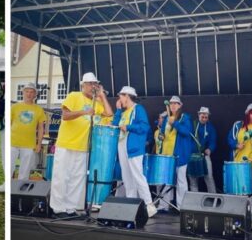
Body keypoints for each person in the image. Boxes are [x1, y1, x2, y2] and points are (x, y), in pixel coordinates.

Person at [49, 72, 112, 217]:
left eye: (95, 84)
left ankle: (71, 208)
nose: (92, 86)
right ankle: (58, 208)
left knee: (77, 178)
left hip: (83, 146)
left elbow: (109, 115)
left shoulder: (97, 102)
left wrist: (102, 96)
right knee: (61, 177)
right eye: (90, 84)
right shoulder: (74, 95)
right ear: (83, 85)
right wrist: (83, 112)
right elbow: (65, 115)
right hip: (66, 143)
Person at [113, 85, 155, 216]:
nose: (119, 98)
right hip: (122, 146)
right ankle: (132, 205)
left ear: (127, 96)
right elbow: (115, 125)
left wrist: (129, 127)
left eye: (121, 95)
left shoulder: (138, 109)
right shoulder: (123, 111)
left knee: (137, 176)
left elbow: (145, 127)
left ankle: (149, 205)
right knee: (127, 177)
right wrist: (118, 111)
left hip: (134, 147)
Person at [228, 104, 252, 216]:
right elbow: (229, 139)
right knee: (240, 187)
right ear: (248, 113)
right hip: (239, 162)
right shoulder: (238, 125)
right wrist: (236, 145)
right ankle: (240, 211)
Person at [160, 95, 195, 207]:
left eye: (176, 103)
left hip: (181, 154)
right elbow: (162, 133)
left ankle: (181, 206)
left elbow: (186, 132)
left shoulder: (185, 117)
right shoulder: (166, 118)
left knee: (181, 180)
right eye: (171, 103)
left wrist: (174, 123)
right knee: (166, 180)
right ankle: (164, 205)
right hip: (167, 154)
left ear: (180, 105)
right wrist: (161, 136)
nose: (173, 105)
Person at [11, 82, 47, 182]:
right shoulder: (15, 107)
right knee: (9, 166)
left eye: (32, 92)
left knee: (25, 171)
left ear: (35, 95)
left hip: (28, 144)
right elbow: (8, 123)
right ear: (23, 93)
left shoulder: (39, 109)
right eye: (27, 91)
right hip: (12, 142)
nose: (29, 94)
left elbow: (41, 128)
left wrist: (39, 144)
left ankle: (20, 191)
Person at [187, 105, 217, 192]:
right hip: (192, 156)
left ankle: (213, 198)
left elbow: (213, 141)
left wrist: (210, 149)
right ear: (199, 115)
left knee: (209, 177)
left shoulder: (210, 127)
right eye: (202, 116)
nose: (204, 118)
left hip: (204, 155)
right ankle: (195, 200)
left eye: (206, 117)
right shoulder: (192, 125)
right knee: (193, 179)